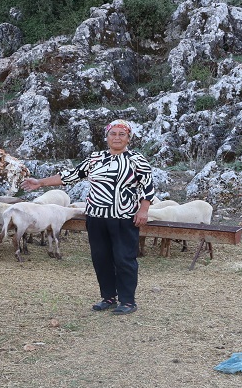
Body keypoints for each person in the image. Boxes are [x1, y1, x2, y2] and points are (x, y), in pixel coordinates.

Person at [21, 120, 155, 315]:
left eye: (121, 134)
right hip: (96, 217)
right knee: (101, 257)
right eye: (113, 134)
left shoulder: (137, 160)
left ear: (128, 138)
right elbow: (70, 175)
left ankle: (127, 301)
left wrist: (143, 210)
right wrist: (40, 183)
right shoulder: (95, 159)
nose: (117, 137)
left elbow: (148, 186)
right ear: (107, 137)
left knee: (124, 258)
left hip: (124, 217)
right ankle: (108, 297)